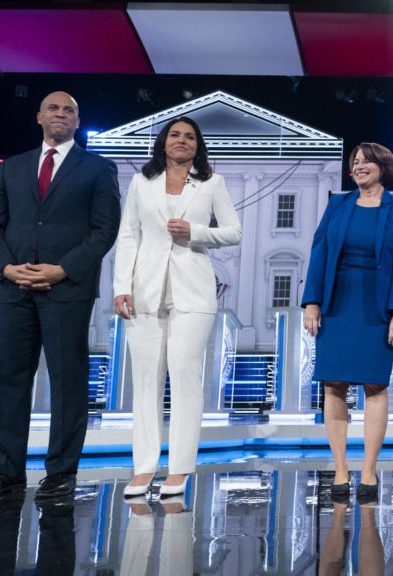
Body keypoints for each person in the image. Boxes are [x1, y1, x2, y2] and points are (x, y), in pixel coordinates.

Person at [0, 91, 121, 502]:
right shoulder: (12, 167)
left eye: (70, 110)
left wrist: (63, 268)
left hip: (67, 290)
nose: (61, 114)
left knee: (67, 385)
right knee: (12, 384)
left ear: (77, 122)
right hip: (13, 289)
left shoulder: (98, 168)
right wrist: (7, 268)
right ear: (39, 116)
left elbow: (103, 230)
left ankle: (61, 473)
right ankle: (7, 471)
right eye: (54, 108)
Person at [113, 116, 242, 499]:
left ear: (198, 145)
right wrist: (121, 286)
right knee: (146, 381)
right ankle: (144, 467)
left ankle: (180, 468)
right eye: (175, 135)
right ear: (163, 142)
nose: (182, 141)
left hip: (194, 292)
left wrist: (196, 232)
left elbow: (234, 231)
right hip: (144, 291)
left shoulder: (212, 183)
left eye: (189, 136)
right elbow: (127, 237)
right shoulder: (141, 182)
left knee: (185, 378)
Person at [302, 143, 393, 502]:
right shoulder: (338, 204)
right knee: (333, 385)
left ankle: (368, 469)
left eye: (367, 161)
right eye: (355, 162)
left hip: (377, 306)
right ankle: (339, 469)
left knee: (374, 386)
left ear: (384, 166)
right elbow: (319, 252)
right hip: (337, 304)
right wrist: (312, 302)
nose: (360, 166)